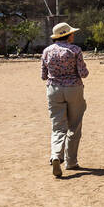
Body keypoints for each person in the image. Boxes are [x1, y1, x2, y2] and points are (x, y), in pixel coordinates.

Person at [41, 22, 89, 177]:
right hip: (73, 89)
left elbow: (43, 75)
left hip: (54, 90)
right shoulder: (75, 50)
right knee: (74, 125)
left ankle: (56, 155)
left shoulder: (47, 51)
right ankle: (71, 161)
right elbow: (83, 73)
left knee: (58, 126)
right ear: (67, 35)